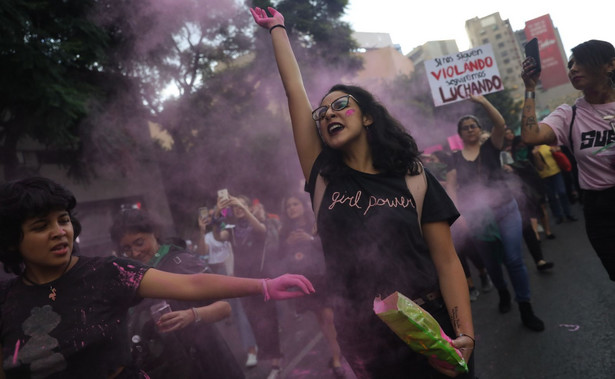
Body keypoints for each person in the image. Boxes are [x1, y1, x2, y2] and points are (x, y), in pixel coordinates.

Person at [251, 7, 474, 378]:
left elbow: (447, 261)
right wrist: (277, 28)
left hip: (430, 325)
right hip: (363, 336)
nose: (327, 115)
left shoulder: (413, 176)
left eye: (340, 106)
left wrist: (464, 333)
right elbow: (295, 92)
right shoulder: (323, 176)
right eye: (322, 114)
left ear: (367, 116)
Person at [0, 176, 314, 378]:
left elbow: (195, 284)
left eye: (63, 220)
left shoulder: (107, 273)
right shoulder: (6, 298)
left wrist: (265, 285)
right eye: (41, 226)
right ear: (13, 240)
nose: (58, 232)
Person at [446, 95, 545, 332]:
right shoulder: (455, 158)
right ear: (460, 134)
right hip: (477, 217)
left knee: (513, 259)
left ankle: (525, 306)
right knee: (491, 263)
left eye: (474, 125)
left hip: (505, 209)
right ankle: (502, 291)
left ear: (480, 129)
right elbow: (451, 189)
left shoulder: (491, 146)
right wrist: (458, 218)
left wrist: (482, 102)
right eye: (465, 127)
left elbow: (500, 125)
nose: (470, 129)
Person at [109, 208, 244, 379]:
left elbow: (224, 307)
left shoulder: (181, 262)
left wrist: (191, 315)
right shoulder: (133, 277)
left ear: (155, 232)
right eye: (126, 248)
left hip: (204, 362)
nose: (134, 253)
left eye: (139, 242)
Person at [521, 39, 615, 281]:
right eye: (570, 63)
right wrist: (530, 87)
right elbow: (531, 135)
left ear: (610, 65)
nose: (572, 68)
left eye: (581, 62)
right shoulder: (568, 114)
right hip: (600, 210)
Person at [213, 193, 284, 379]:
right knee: (255, 322)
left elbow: (261, 230)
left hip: (263, 280)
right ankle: (266, 357)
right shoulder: (232, 229)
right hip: (244, 283)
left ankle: (276, 364)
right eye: (235, 207)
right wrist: (217, 211)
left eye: (241, 206)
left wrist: (243, 207)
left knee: (270, 321)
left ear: (248, 208)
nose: (238, 208)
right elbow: (217, 235)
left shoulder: (258, 225)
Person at [278, 193, 345, 378]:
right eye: (288, 206)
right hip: (303, 280)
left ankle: (337, 355)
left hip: (322, 276)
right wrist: (286, 244)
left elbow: (330, 244)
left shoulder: (314, 223)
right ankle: (336, 352)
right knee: (321, 318)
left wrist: (310, 239)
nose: (291, 208)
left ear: (302, 205)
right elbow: (279, 257)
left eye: (295, 204)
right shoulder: (284, 231)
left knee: (329, 316)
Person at [195, 207, 259, 369]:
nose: (211, 218)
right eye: (208, 216)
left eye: (213, 215)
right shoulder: (208, 237)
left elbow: (224, 237)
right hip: (217, 277)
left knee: (241, 314)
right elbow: (202, 253)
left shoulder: (230, 231)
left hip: (235, 272)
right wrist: (201, 231)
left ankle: (252, 350)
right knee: (227, 317)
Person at [531, 144, 578, 224]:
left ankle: (568, 213)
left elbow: (559, 154)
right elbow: (540, 167)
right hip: (544, 176)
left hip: (556, 172)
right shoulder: (533, 150)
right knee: (551, 196)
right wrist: (536, 155)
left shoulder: (547, 146)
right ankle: (559, 215)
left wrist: (556, 150)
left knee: (562, 192)